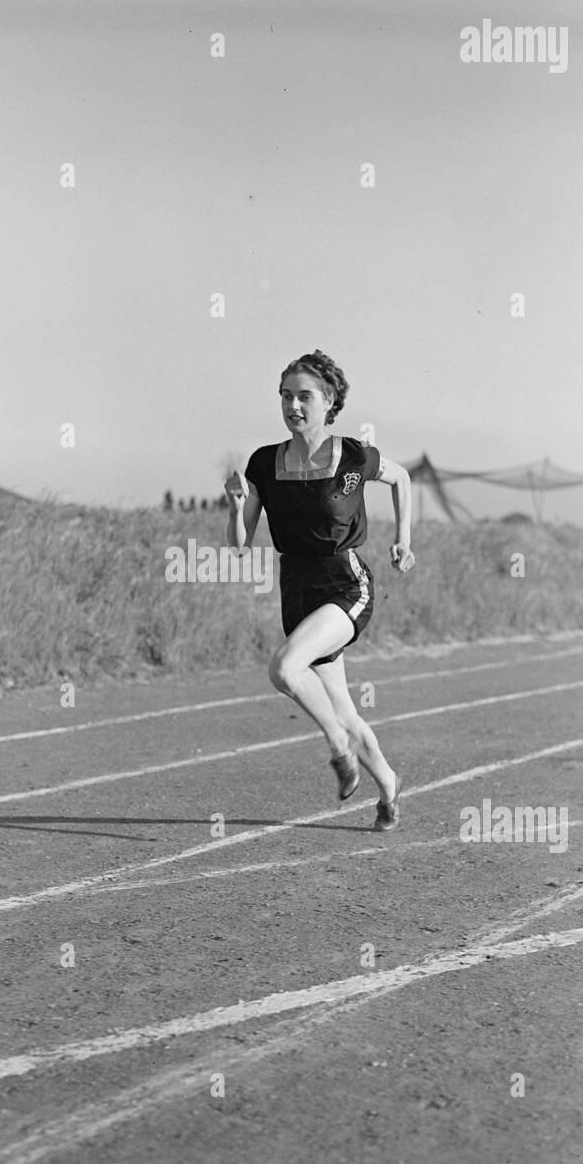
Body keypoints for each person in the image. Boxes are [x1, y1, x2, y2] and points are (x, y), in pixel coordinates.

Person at [224, 350, 414, 830]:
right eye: (285, 396)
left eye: (304, 396)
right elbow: (241, 545)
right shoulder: (264, 464)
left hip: (347, 584)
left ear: (329, 401)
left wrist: (403, 539)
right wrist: (235, 506)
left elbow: (403, 478)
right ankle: (388, 786)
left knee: (285, 668)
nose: (293, 405)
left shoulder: (352, 456)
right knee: (347, 711)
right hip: (298, 590)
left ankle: (336, 746)